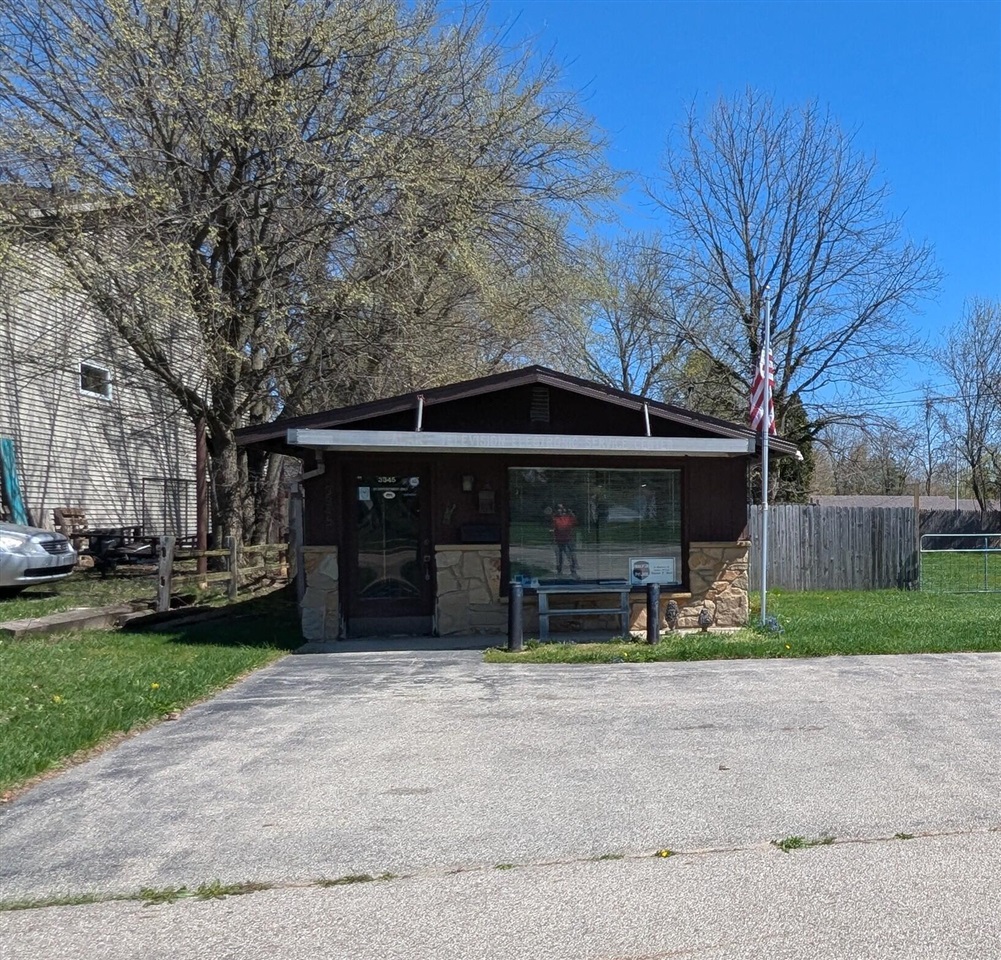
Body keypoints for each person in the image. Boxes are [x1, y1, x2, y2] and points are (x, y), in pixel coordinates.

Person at [551, 503, 578, 576]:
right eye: (558, 509)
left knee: (570, 555)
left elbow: (575, 522)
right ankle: (559, 571)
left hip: (568, 540)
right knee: (559, 557)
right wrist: (553, 538)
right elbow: (553, 529)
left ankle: (573, 570)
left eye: (561, 508)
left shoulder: (568, 518)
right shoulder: (555, 519)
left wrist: (571, 513)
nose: (560, 510)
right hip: (559, 540)